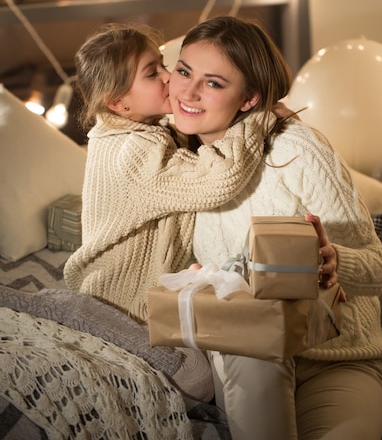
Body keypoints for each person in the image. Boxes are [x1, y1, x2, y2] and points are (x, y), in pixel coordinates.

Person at [168, 15, 382, 440]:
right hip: (251, 356)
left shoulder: (295, 149)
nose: (188, 93)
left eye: (213, 83)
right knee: (251, 351)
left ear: (249, 98)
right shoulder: (179, 162)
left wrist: (333, 260)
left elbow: (379, 269)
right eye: (184, 71)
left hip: (338, 360)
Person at [63, 22, 268, 324]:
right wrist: (258, 118)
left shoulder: (128, 131)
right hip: (125, 304)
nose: (169, 77)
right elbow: (218, 180)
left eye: (164, 65)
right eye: (152, 73)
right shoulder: (131, 153)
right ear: (119, 102)